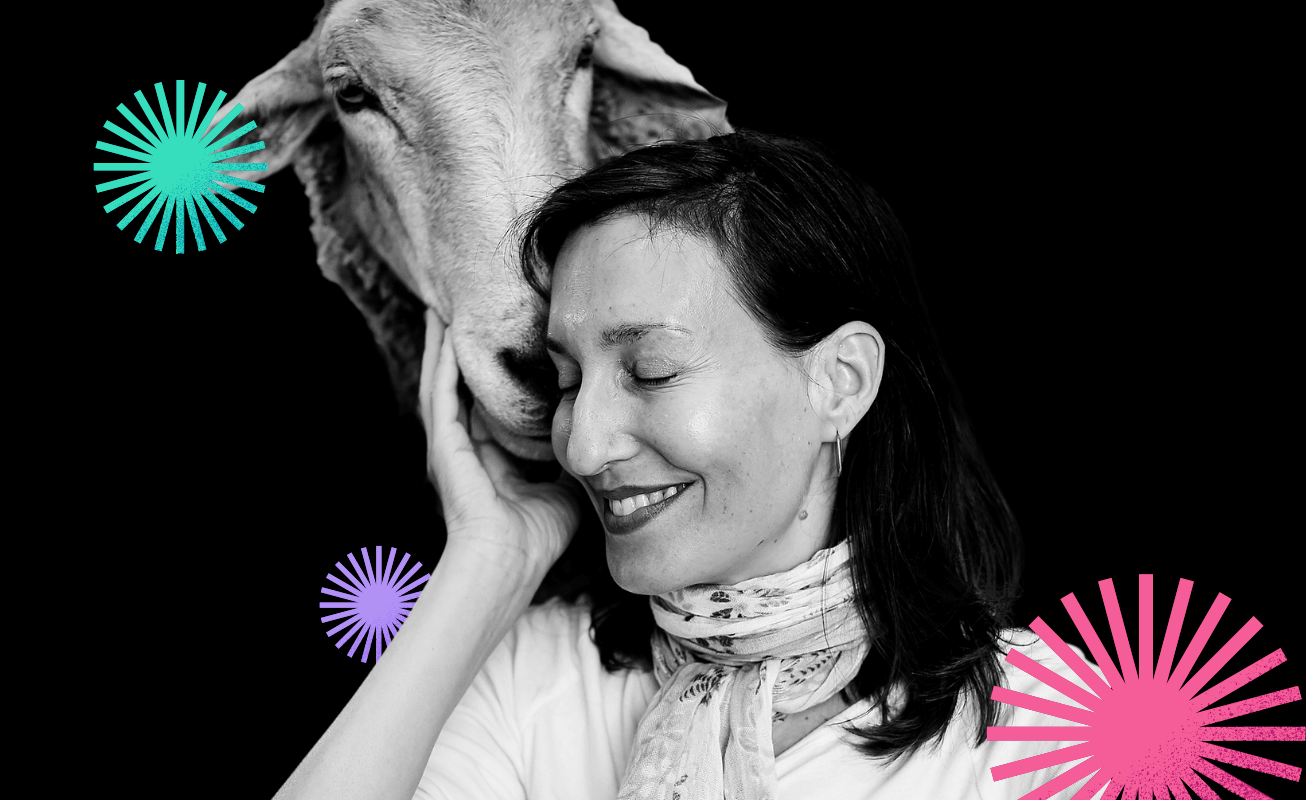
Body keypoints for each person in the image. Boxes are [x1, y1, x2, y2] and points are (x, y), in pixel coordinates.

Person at [272, 131, 1098, 800]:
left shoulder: (1058, 726)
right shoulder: (532, 677)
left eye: (652, 370)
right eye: (565, 380)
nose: (583, 445)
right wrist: (488, 564)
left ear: (839, 381)